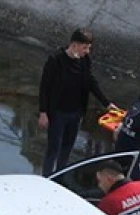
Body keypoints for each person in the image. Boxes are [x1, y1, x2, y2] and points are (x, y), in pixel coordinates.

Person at [38, 28, 115, 176]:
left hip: (76, 112)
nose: (87, 51)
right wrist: (43, 112)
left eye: (88, 48)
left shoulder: (84, 61)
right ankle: (46, 176)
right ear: (74, 45)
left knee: (67, 147)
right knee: (53, 147)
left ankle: (60, 175)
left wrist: (106, 103)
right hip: (58, 112)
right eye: (84, 48)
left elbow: (91, 82)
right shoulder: (56, 60)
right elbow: (44, 87)